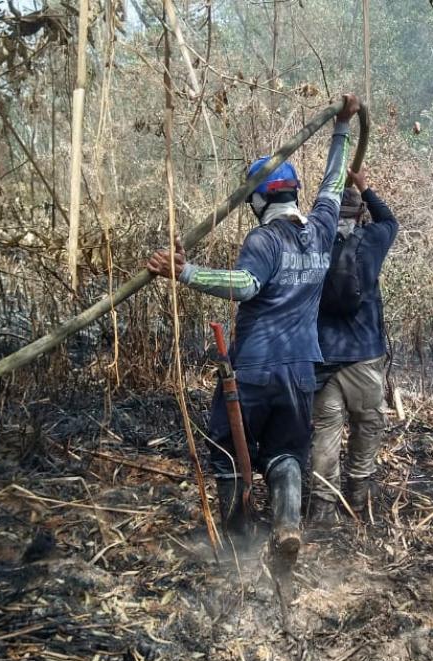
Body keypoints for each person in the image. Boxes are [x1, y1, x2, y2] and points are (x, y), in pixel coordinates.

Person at [148, 94, 362, 566]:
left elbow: (245, 286)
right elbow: (331, 184)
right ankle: (286, 526)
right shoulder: (322, 228)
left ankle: (238, 535)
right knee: (287, 449)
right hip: (301, 372)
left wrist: (184, 273)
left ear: (259, 198)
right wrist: (342, 129)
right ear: (291, 192)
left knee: (227, 449)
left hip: (254, 371)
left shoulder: (263, 239)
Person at [307, 167, 399, 526]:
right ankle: (358, 499)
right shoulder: (373, 240)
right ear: (360, 214)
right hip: (364, 358)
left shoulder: (312, 242)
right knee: (368, 426)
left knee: (326, 435)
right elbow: (390, 220)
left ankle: (322, 509)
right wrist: (366, 188)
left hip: (323, 360)